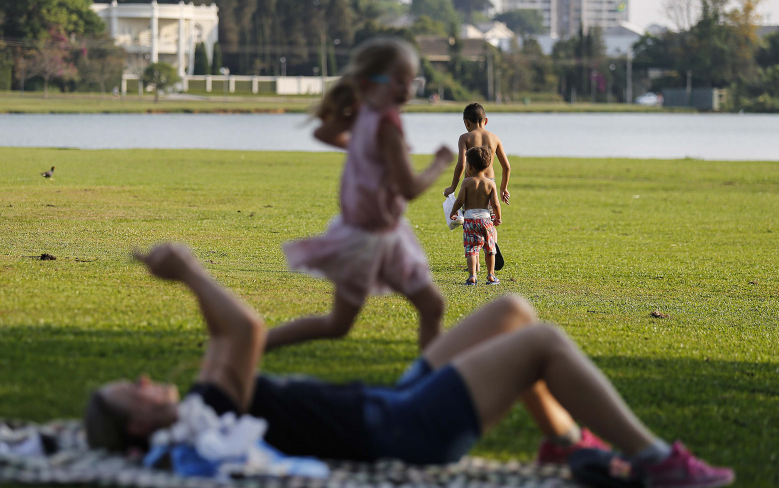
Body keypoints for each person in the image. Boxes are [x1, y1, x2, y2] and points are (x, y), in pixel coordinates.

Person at [85, 243, 735, 487]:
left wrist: (191, 281)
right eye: (131, 392)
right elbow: (245, 329)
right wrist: (190, 272)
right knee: (544, 344)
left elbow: (231, 335)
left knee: (511, 308)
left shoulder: (203, 405)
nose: (143, 381)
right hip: (401, 430)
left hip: (385, 402)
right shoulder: (212, 421)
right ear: (140, 429)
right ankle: (657, 461)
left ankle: (565, 444)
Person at [264, 38, 454, 352]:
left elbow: (323, 132)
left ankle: (428, 381)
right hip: (367, 241)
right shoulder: (387, 122)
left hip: (384, 236)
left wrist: (367, 148)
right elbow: (409, 189)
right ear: (369, 83)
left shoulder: (366, 113)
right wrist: (440, 162)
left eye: (411, 81)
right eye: (398, 80)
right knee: (343, 324)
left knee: (429, 307)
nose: (406, 88)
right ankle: (256, 343)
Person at [450, 146, 501, 286]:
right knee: (490, 249)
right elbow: (495, 203)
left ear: (470, 166)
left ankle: (472, 276)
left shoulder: (466, 182)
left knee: (471, 249)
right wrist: (498, 217)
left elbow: (460, 200)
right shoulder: (490, 183)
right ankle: (491, 275)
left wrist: (453, 211)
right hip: (486, 220)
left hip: (470, 221)